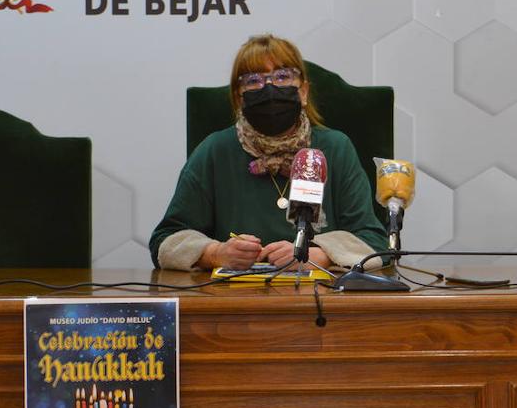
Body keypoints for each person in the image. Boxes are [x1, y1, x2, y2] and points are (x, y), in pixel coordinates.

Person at [150, 34, 387, 271]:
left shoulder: (335, 148)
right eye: (253, 80)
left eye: (283, 77)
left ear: (303, 91)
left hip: (318, 299)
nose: (270, 88)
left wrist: (317, 255)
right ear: (238, 97)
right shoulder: (214, 150)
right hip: (234, 300)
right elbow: (166, 240)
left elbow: (373, 240)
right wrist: (216, 253)